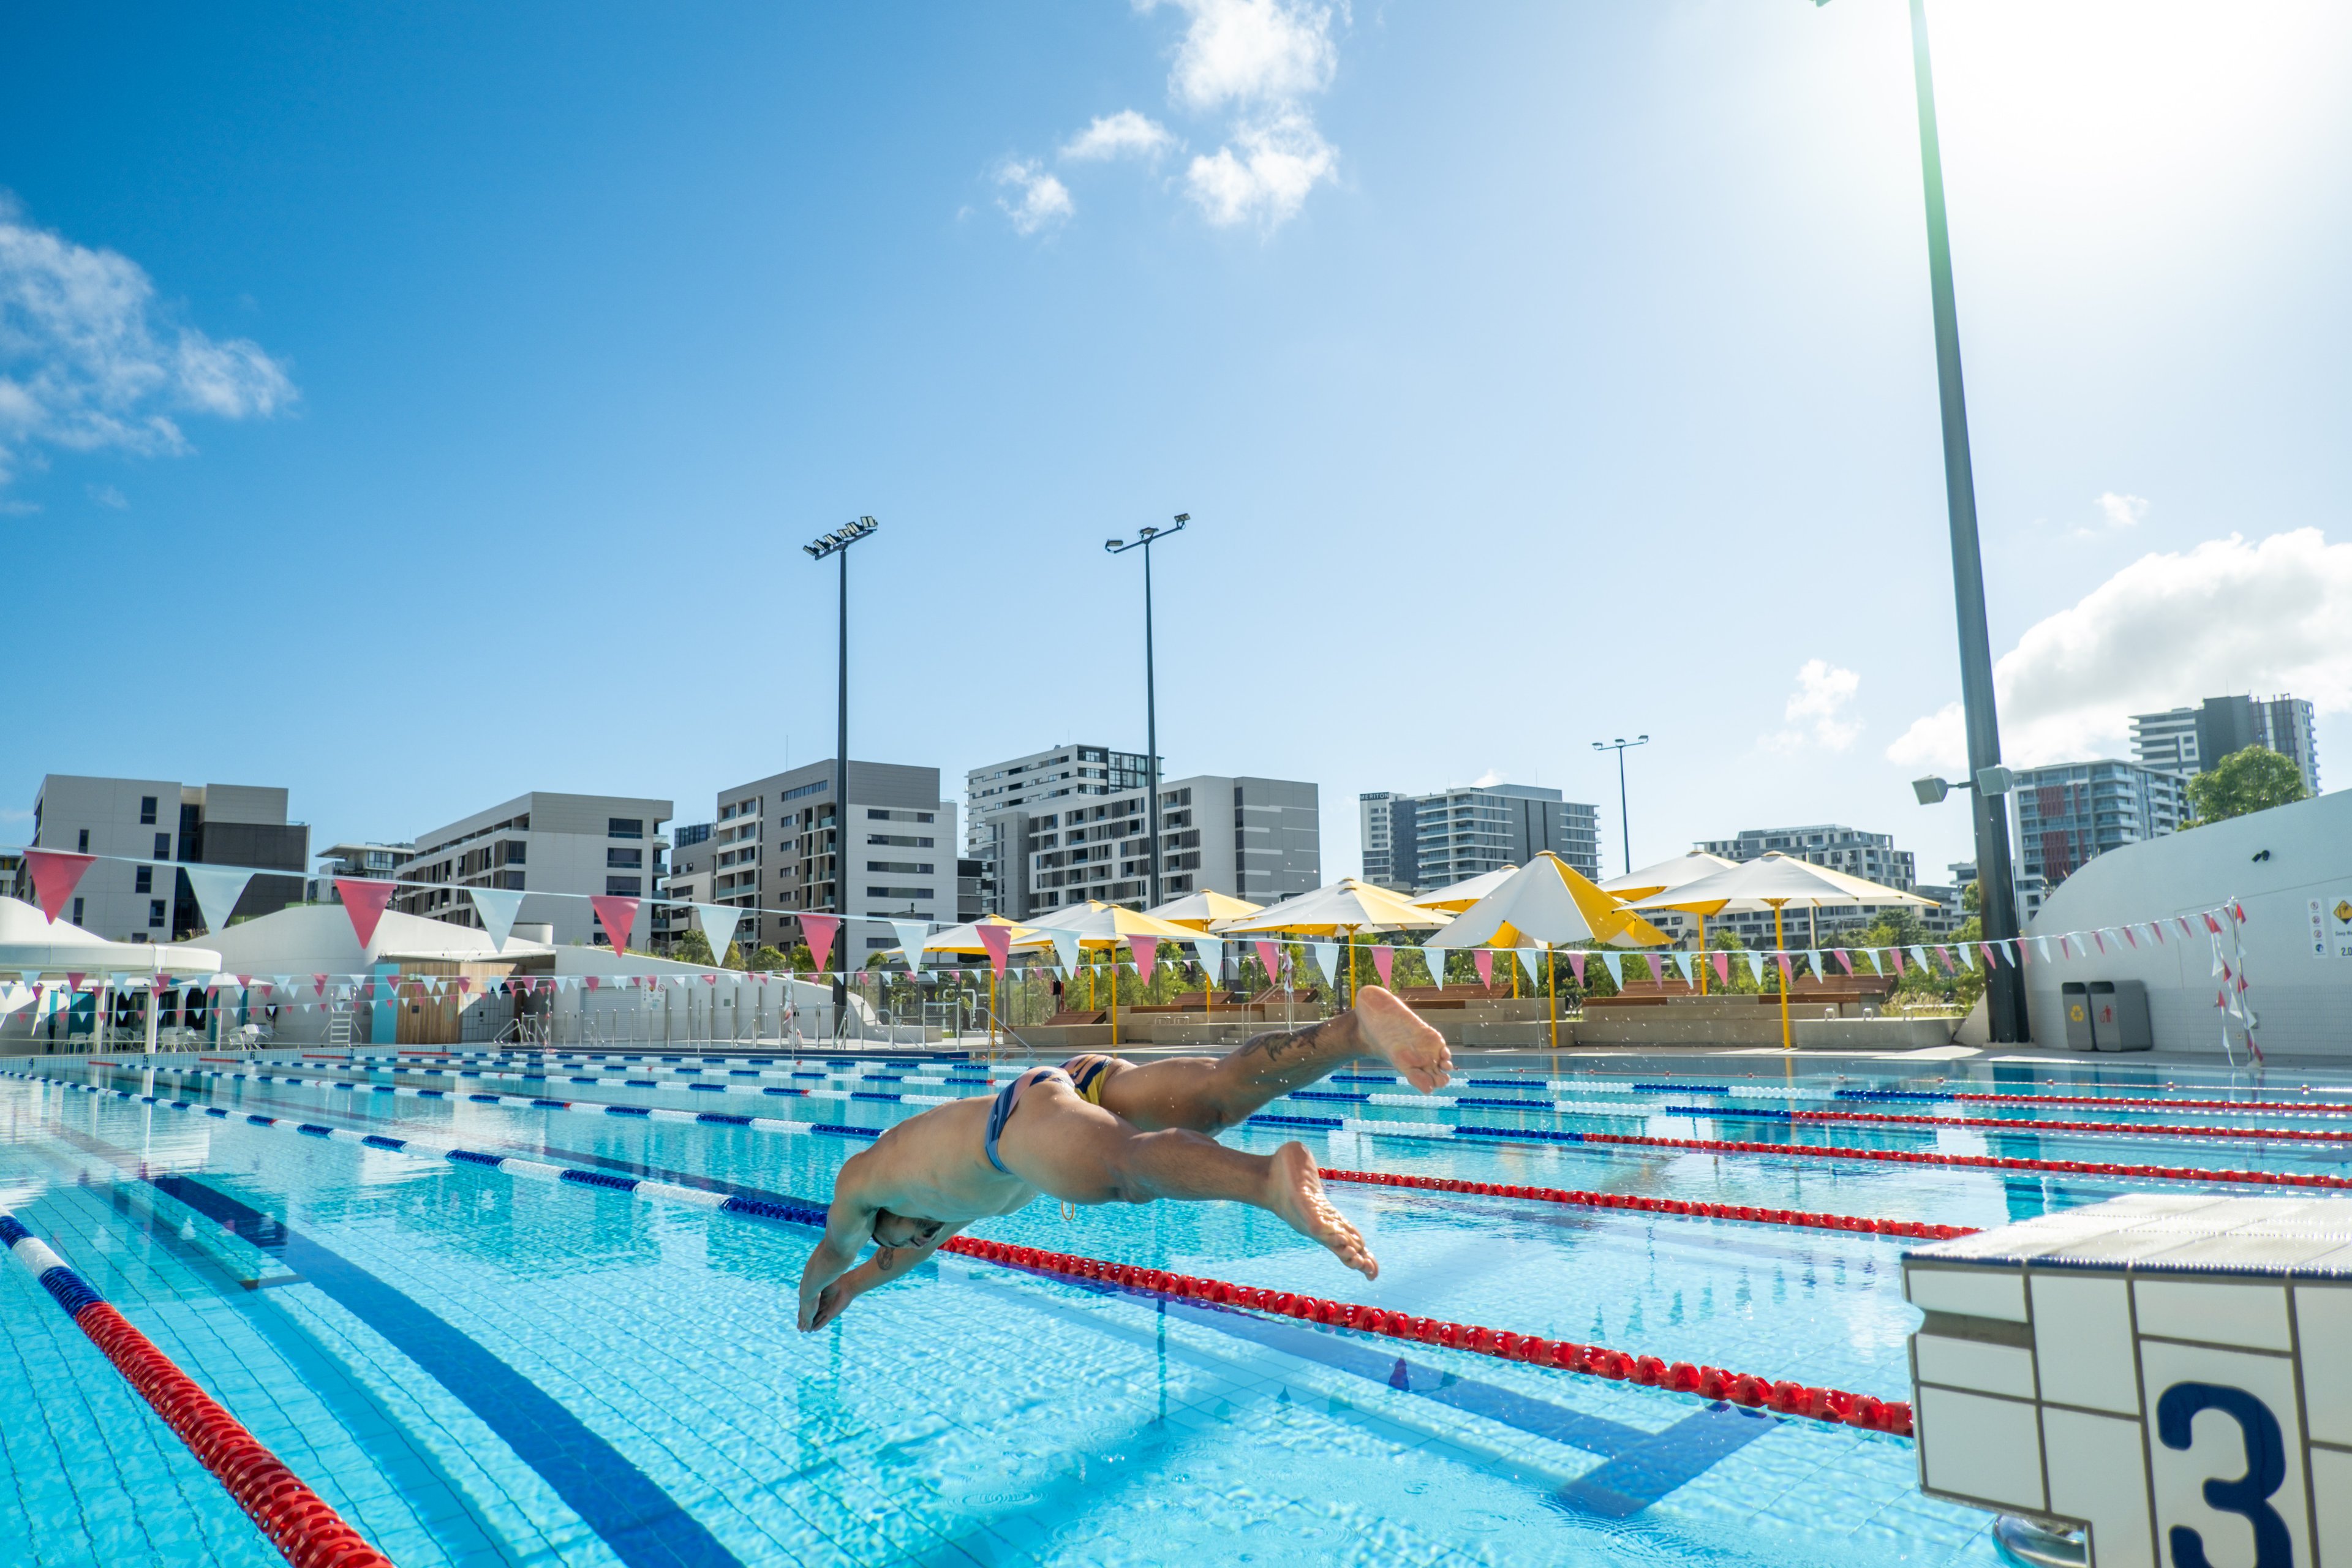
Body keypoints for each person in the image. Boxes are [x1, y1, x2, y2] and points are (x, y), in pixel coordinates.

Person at [797, 984, 1451, 1331]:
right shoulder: (936, 1211)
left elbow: (834, 1251)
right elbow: (887, 1262)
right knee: (1217, 1097)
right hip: (1074, 1078)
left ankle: (1267, 1181)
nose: (921, 1241)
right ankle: (1353, 1032)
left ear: (890, 1222)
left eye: (908, 1239)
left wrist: (807, 1301)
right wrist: (849, 1292)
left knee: (1124, 1169)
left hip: (1018, 1121)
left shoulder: (863, 1182)